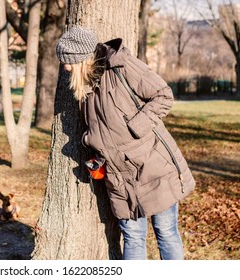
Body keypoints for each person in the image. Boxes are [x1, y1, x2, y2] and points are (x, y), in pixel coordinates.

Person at [55, 26, 196, 260]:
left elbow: (163, 95)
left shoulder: (122, 66)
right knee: (132, 236)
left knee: (166, 232)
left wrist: (135, 128)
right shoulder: (86, 87)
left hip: (152, 166)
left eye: (67, 61)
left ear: (80, 58)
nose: (65, 68)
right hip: (119, 178)